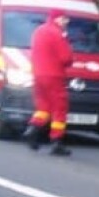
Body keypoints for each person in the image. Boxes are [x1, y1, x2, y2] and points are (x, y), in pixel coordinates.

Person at [24, 11, 75, 156]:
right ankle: (56, 141)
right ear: (57, 19)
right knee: (60, 108)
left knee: (43, 107)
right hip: (55, 75)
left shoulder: (39, 31)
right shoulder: (57, 34)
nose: (67, 22)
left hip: (38, 75)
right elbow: (66, 58)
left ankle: (32, 130)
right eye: (65, 19)